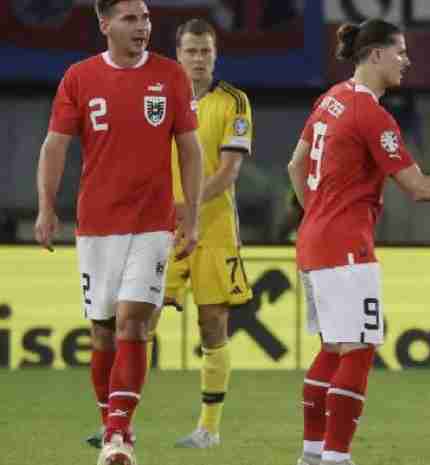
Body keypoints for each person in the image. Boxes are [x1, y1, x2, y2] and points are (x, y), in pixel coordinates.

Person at [287, 19, 430, 465]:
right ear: (376, 54)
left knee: (333, 348)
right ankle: (335, 457)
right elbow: (419, 188)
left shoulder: (331, 98)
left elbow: (295, 166)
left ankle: (312, 455)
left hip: (313, 241)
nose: (406, 61)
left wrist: (318, 213)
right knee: (358, 348)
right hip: (346, 246)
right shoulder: (370, 114)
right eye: (400, 52)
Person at [35, 1, 203, 464]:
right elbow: (55, 146)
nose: (142, 26)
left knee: (134, 322)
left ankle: (117, 433)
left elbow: (190, 149)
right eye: (130, 18)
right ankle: (113, 425)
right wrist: (46, 207)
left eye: (145, 17)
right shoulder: (79, 78)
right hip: (96, 224)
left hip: (152, 224)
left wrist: (191, 214)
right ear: (104, 24)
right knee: (103, 331)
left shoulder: (170, 76)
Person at [153, 18, 253, 449]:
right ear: (178, 54)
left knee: (212, 324)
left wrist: (187, 208)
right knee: (138, 320)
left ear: (215, 55)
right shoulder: (157, 99)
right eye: (191, 51)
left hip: (213, 230)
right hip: (160, 229)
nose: (198, 59)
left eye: (205, 51)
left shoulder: (234, 101)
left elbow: (229, 171)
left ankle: (208, 429)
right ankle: (118, 422)